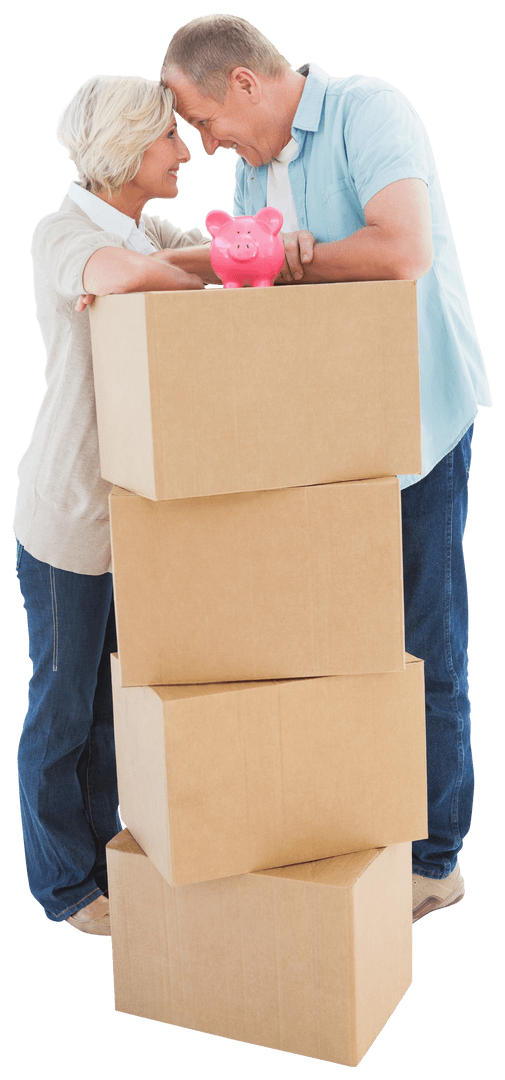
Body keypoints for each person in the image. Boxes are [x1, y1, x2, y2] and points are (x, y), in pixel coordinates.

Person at [160, 13, 493, 921]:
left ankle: (435, 857)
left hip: (416, 427)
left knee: (423, 644)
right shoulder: (254, 168)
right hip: (328, 444)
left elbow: (400, 251)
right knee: (333, 650)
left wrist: (292, 269)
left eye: (199, 119)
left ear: (240, 83)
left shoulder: (367, 112)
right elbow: (257, 279)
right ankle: (357, 817)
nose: (203, 140)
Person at [12, 73, 216, 937]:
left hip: (137, 518)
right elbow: (115, 273)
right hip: (70, 517)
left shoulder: (143, 227)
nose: (185, 150)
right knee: (64, 707)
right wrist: (171, 270)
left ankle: (107, 858)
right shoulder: (62, 232)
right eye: (172, 136)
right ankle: (64, 885)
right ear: (130, 151)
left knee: (112, 702)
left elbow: (198, 255)